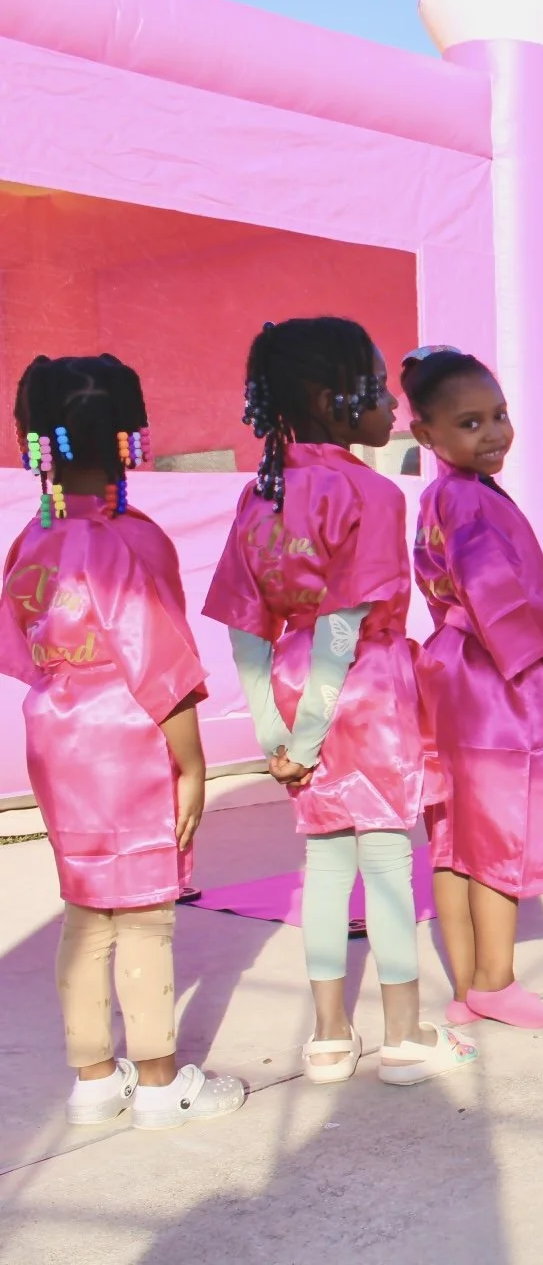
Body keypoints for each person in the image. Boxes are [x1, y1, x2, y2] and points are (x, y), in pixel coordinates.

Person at [205, 319, 476, 1085]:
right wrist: (316, 732)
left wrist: (277, 735)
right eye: (375, 388)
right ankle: (403, 1035)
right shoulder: (372, 492)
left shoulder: (260, 497)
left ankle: (326, 1038)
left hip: (295, 694)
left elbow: (246, 630)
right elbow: (345, 628)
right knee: (387, 864)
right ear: (332, 401)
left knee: (323, 868)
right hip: (368, 692)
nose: (392, 403)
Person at [0, 356, 244, 1128]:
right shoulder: (131, 542)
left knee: (83, 910)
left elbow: (17, 644)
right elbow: (160, 663)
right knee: (143, 914)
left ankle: (94, 1078)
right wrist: (194, 762)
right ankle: (163, 1081)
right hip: (129, 746)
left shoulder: (30, 543)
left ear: (34, 440)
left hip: (60, 740)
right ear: (131, 438)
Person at [403, 347, 543, 1029]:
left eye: (500, 417)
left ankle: (466, 988)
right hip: (489, 673)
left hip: (451, 668)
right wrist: (535, 649)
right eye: (472, 423)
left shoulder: (438, 497)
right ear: (427, 434)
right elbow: (492, 591)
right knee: (497, 832)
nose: (494, 434)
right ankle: (496, 981)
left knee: (454, 837)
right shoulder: (468, 500)